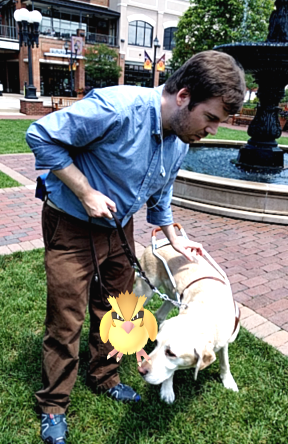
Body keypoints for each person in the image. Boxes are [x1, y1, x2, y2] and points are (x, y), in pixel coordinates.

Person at [26, 49, 245, 444]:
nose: (213, 130)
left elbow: (161, 189)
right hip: (71, 221)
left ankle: (103, 376)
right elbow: (41, 136)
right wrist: (86, 191)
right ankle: (54, 404)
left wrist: (174, 234)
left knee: (118, 308)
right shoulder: (117, 107)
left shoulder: (179, 138)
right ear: (183, 96)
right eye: (210, 118)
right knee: (67, 318)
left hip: (119, 227)